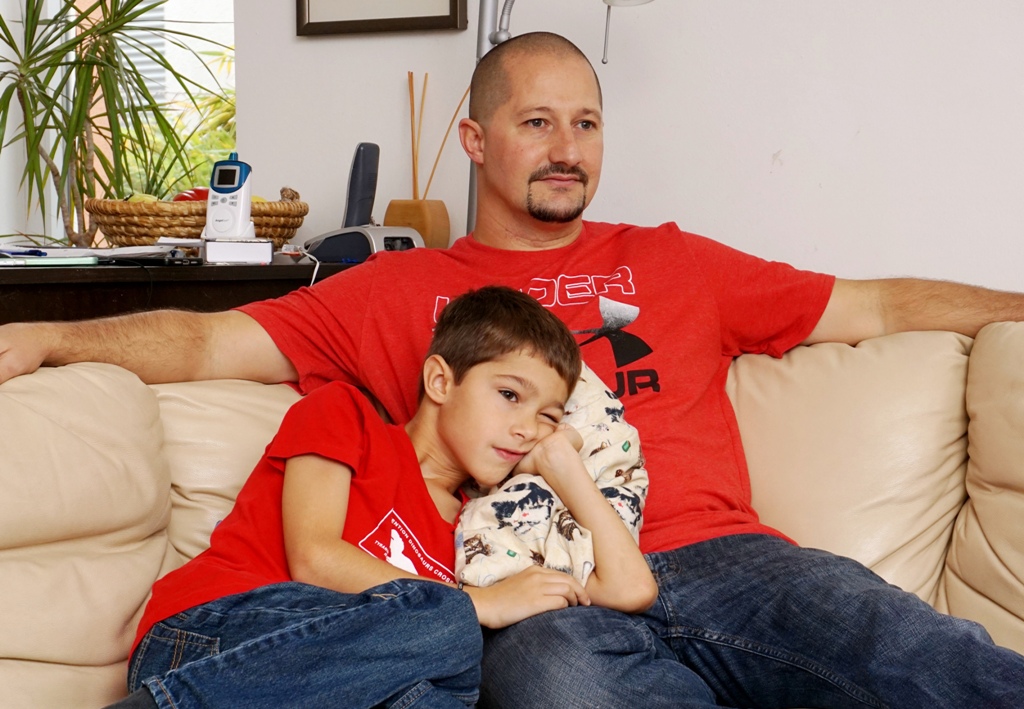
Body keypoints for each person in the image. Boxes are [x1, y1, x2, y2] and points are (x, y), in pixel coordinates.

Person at [5, 30, 1024, 708]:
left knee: (921, 655)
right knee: (554, 689)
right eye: (536, 121)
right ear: (473, 138)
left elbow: (880, 304)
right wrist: (56, 338)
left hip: (723, 558)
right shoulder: (401, 291)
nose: (565, 147)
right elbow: (211, 341)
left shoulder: (674, 260)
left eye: (584, 122)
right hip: (534, 586)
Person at [107, 285, 657, 709]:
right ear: (441, 382)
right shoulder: (347, 416)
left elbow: (631, 589)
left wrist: (565, 466)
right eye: (509, 395)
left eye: (547, 417)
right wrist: (475, 606)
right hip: (210, 639)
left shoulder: (482, 531)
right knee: (449, 628)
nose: (524, 428)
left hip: (335, 683)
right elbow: (314, 557)